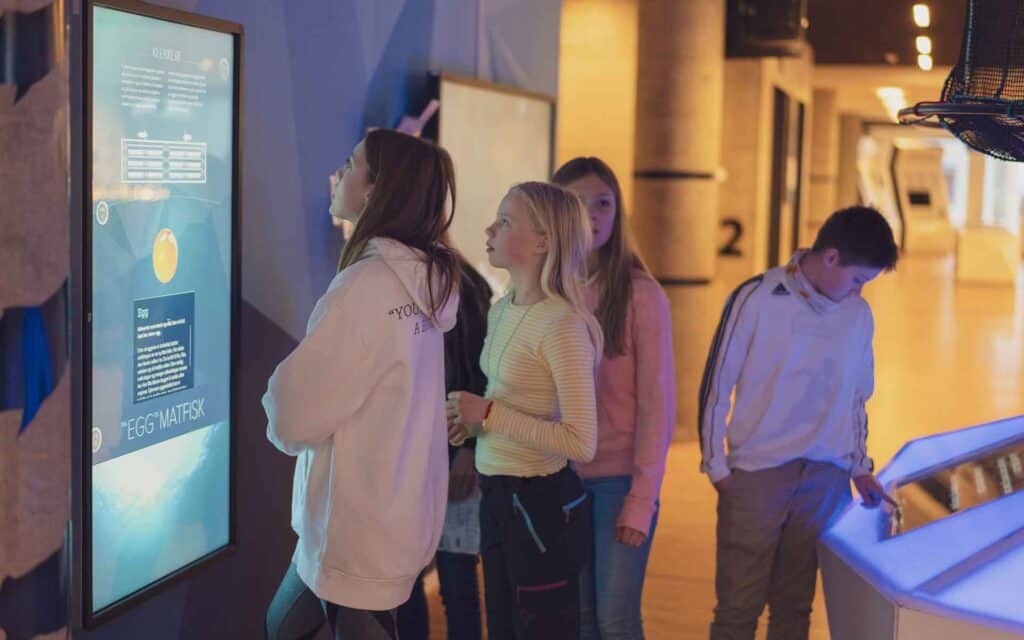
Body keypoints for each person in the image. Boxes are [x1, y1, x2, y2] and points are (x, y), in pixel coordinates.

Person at [264, 129, 460, 640]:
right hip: (392, 517)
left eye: (349, 165)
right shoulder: (427, 280)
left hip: (355, 529)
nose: (338, 174)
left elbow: (293, 412)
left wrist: (277, 396)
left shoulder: (366, 287)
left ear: (374, 190)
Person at [699, 205, 899, 640]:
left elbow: (857, 398)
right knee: (737, 610)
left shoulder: (858, 316)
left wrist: (859, 467)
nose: (858, 292)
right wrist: (716, 467)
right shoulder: (755, 297)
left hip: (824, 480)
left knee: (795, 609)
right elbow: (716, 385)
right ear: (831, 257)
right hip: (757, 473)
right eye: (858, 280)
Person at [446, 181, 602, 639]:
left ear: (544, 241)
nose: (489, 229)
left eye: (505, 221)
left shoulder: (564, 325)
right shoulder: (502, 309)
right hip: (496, 496)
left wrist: (489, 415)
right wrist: (471, 429)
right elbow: (508, 406)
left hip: (539, 505)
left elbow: (581, 441)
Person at [552, 157, 676, 640]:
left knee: (616, 620)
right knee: (579, 620)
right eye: (578, 205)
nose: (594, 216)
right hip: (560, 480)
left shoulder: (641, 295)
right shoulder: (548, 292)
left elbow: (657, 407)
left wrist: (641, 499)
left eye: (603, 203)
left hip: (619, 482)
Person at [397, 249, 491, 640]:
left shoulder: (464, 282)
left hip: (454, 450)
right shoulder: (389, 277)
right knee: (403, 585)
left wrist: (469, 451)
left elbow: (483, 371)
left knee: (457, 584)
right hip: (404, 454)